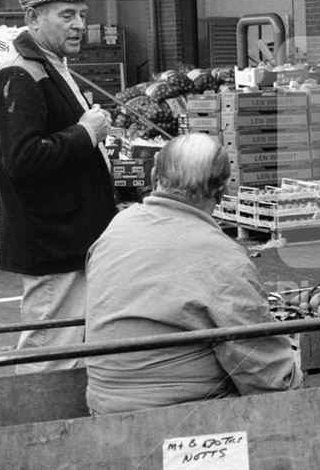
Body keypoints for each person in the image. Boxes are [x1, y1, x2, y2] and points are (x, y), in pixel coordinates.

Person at [84, 132, 302, 415]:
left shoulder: (117, 227)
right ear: (222, 191)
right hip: (187, 419)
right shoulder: (222, 258)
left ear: (153, 177)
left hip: (102, 406)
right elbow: (269, 378)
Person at [0, 0, 117, 371]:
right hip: (51, 243)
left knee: (71, 348)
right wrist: (86, 133)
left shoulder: (49, 66)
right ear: (33, 18)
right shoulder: (20, 74)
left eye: (82, 15)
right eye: (67, 15)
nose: (79, 24)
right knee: (49, 355)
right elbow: (23, 159)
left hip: (70, 238)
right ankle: (34, 429)